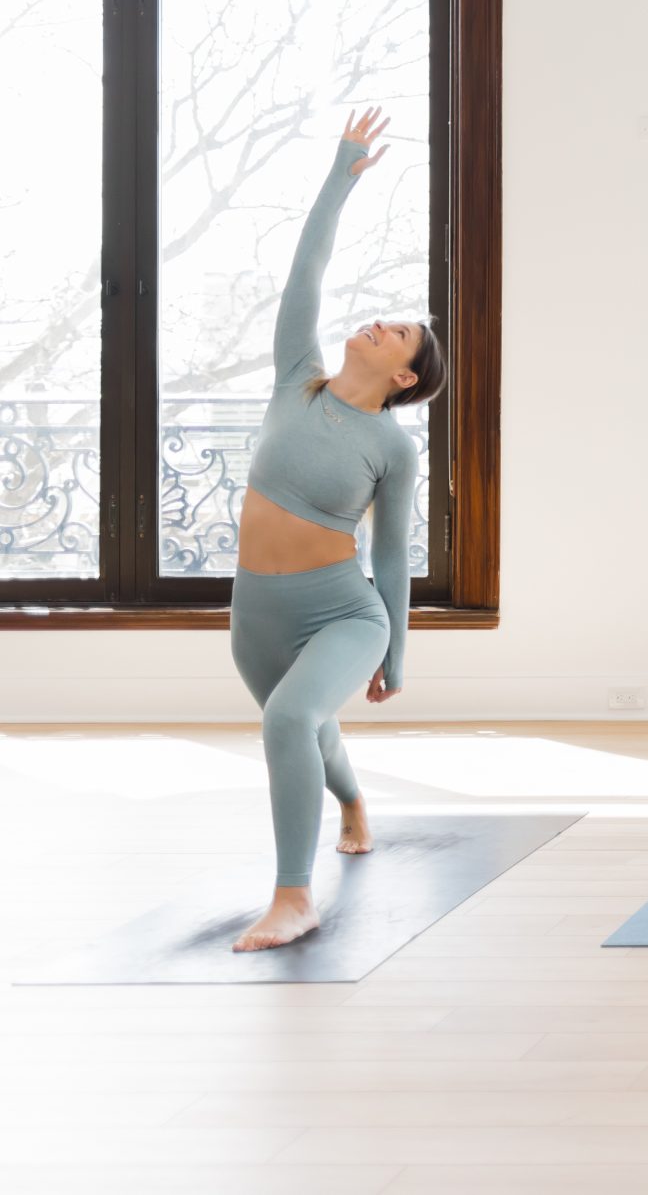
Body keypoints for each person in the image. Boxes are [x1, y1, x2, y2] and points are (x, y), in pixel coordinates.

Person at [229, 109, 447, 952]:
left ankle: (294, 897)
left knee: (288, 723)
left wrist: (395, 654)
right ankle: (353, 800)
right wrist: (341, 173)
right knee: (310, 731)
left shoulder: (392, 445)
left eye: (398, 331)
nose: (380, 320)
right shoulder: (298, 382)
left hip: (342, 614)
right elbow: (306, 273)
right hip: (256, 612)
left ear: (402, 374)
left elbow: (391, 555)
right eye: (388, 315)